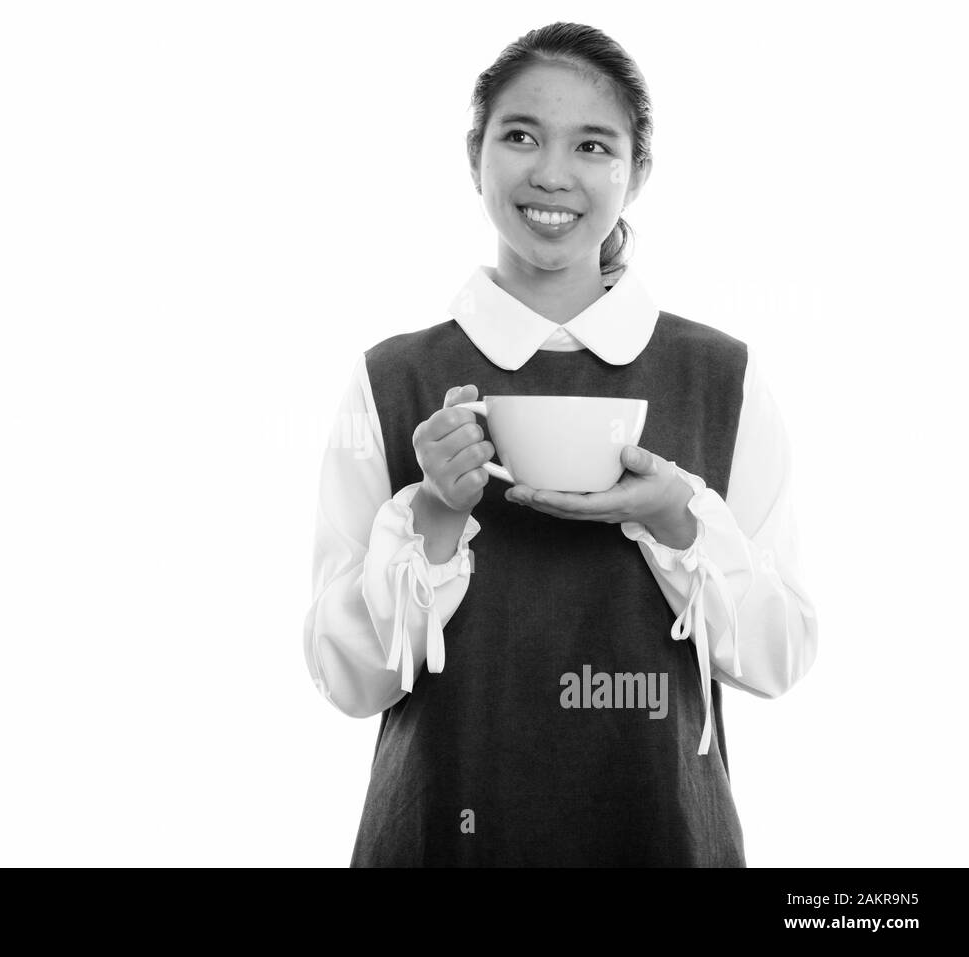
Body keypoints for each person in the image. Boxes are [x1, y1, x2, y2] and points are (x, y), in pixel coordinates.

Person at [302, 22, 819, 867]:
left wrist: (681, 522)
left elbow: (780, 655)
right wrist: (432, 514)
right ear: (475, 157)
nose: (551, 174)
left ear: (637, 172)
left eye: (592, 144)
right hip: (439, 838)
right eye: (519, 136)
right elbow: (346, 680)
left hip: (662, 837)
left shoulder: (722, 377)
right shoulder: (390, 380)